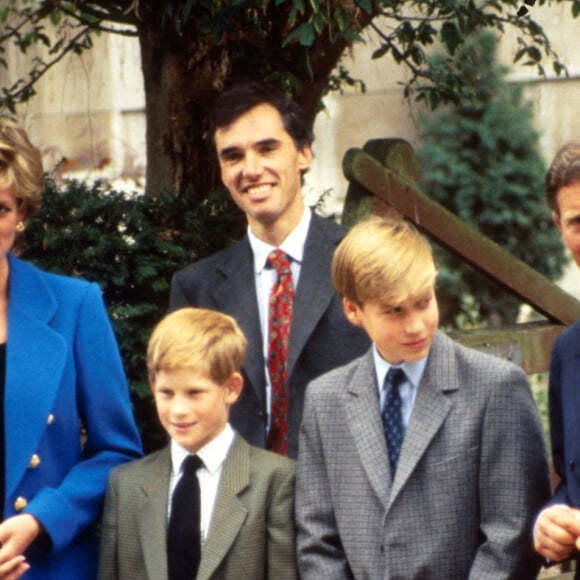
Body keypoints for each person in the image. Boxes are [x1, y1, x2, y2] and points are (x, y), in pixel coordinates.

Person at [296, 215, 550, 578]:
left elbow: (511, 536)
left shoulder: (496, 388)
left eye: (423, 302)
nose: (415, 325)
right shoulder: (325, 401)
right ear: (353, 310)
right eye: (394, 311)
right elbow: (317, 540)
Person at [169, 82, 369, 458]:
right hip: (238, 505)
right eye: (233, 156)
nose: (251, 169)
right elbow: (185, 416)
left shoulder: (360, 261)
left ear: (304, 153)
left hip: (344, 501)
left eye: (267, 148)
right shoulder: (196, 287)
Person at [0, 117, 142, 579]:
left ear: (21, 212)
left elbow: (117, 453)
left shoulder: (75, 305)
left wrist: (44, 518)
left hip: (46, 566)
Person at [98, 307, 297, 579]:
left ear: (231, 388)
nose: (179, 409)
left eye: (195, 393)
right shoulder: (126, 484)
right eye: (166, 393)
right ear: (152, 384)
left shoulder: (274, 480)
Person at [534, 140, 580, 573]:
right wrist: (551, 521)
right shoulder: (568, 353)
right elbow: (573, 485)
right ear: (558, 226)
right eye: (578, 222)